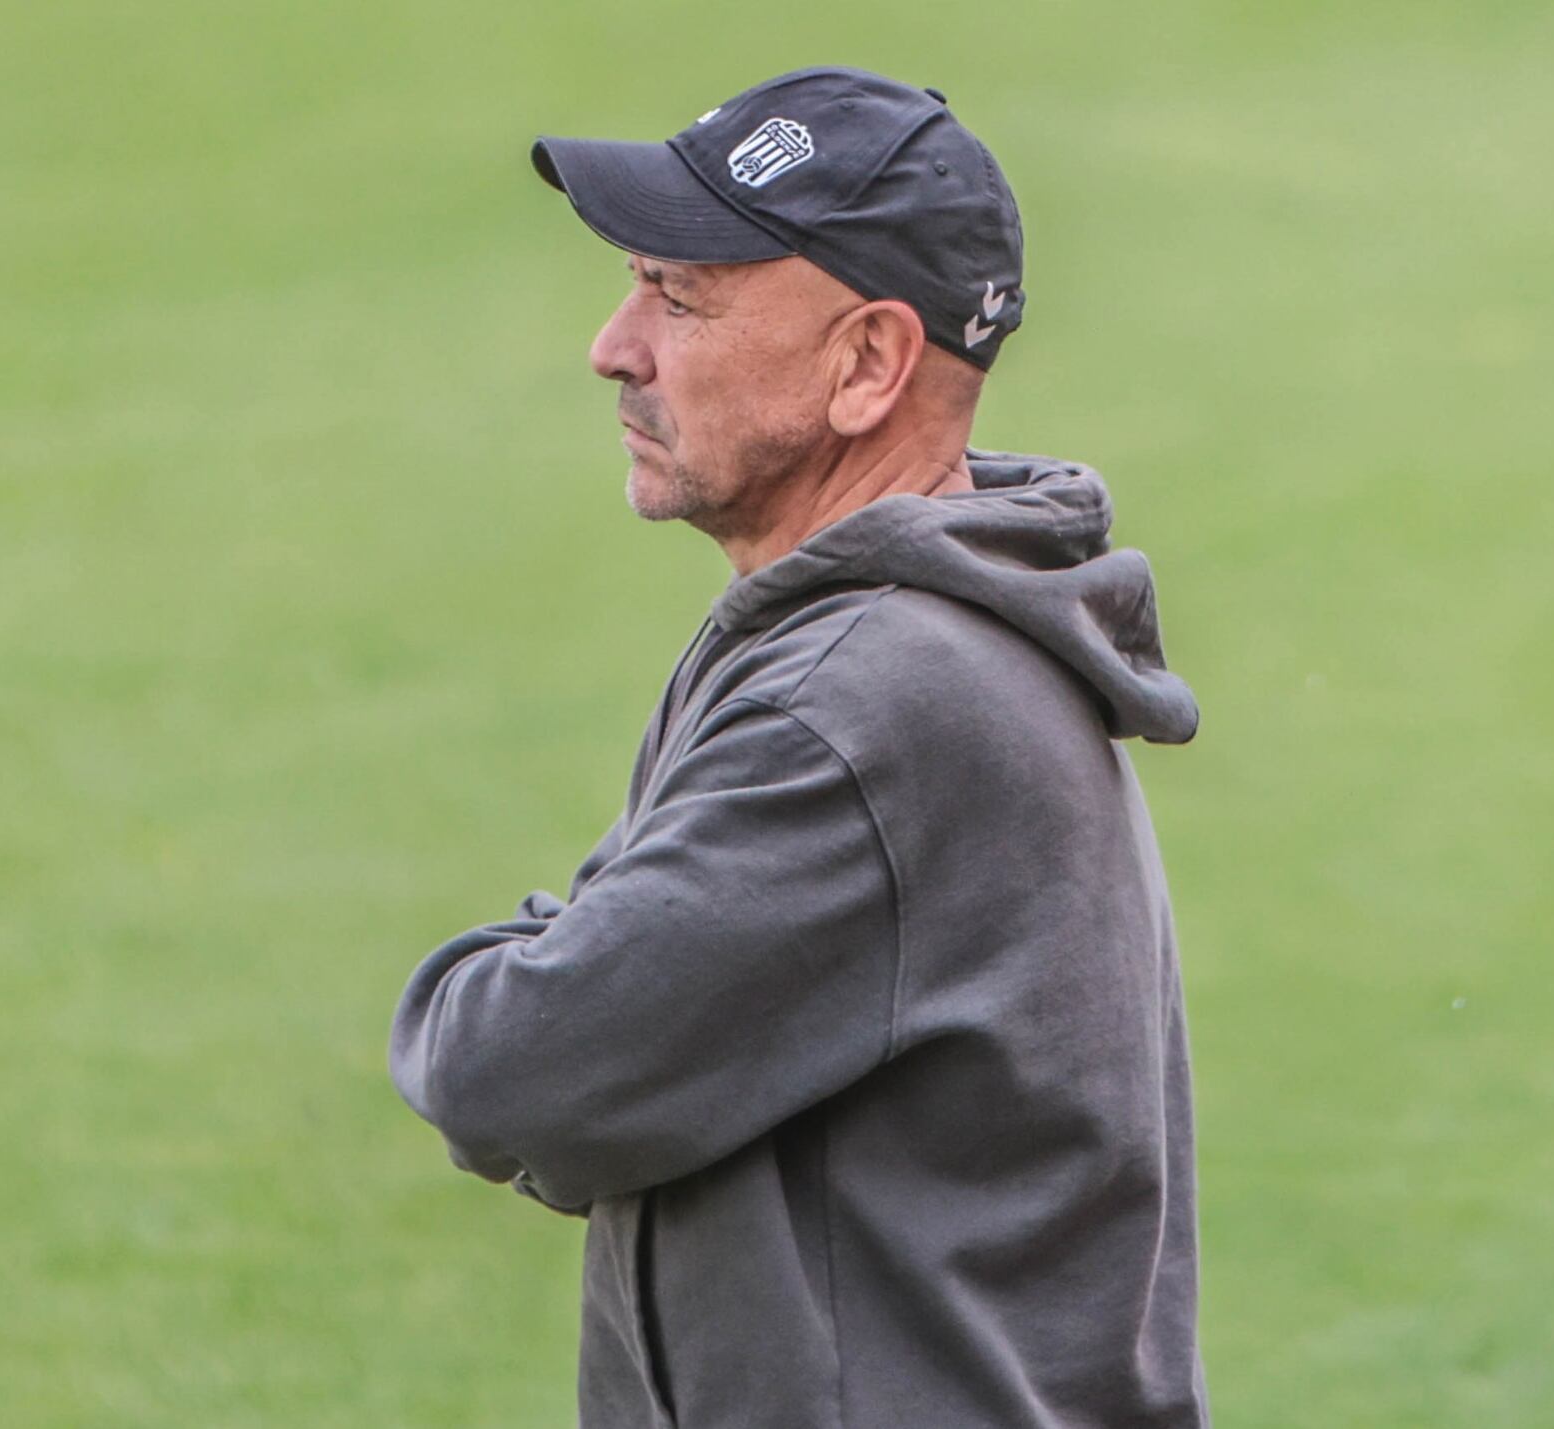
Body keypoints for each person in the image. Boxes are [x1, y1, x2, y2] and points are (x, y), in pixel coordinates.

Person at [389, 65, 1209, 1429]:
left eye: (680, 296)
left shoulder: (864, 705)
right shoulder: (901, 643)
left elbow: (515, 1068)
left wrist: (528, 958)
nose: (615, 344)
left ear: (869, 364)